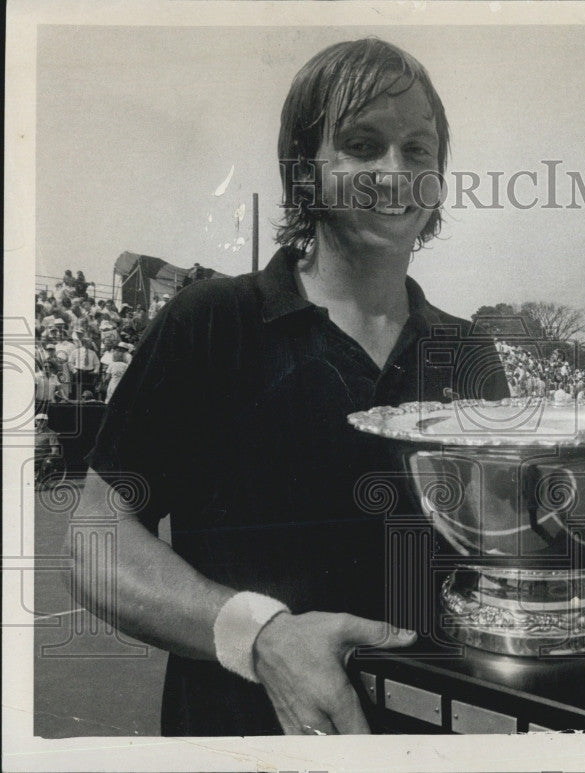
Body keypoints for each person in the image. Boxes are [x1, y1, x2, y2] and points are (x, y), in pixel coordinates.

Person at [71, 38, 508, 736]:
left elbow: (491, 551)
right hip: (240, 735)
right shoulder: (211, 321)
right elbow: (95, 542)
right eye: (363, 145)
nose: (394, 172)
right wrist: (261, 636)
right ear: (306, 172)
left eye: (418, 150)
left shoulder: (469, 351)